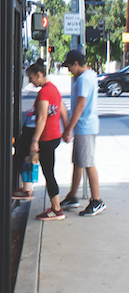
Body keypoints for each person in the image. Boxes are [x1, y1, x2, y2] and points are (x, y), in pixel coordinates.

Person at [20, 61, 69, 220]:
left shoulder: (44, 93)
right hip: (55, 135)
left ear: (39, 74)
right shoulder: (53, 89)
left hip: (46, 137)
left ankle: (56, 209)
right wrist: (66, 129)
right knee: (47, 170)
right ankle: (26, 189)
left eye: (31, 77)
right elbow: (62, 109)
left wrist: (35, 140)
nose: (30, 81)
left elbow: (41, 118)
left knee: (48, 173)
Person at [60, 49, 106, 216]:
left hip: (85, 125)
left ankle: (96, 200)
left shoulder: (82, 80)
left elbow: (80, 106)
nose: (68, 70)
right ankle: (73, 196)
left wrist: (68, 128)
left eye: (69, 66)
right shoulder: (89, 75)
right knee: (79, 162)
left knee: (88, 163)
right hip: (85, 126)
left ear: (76, 64)